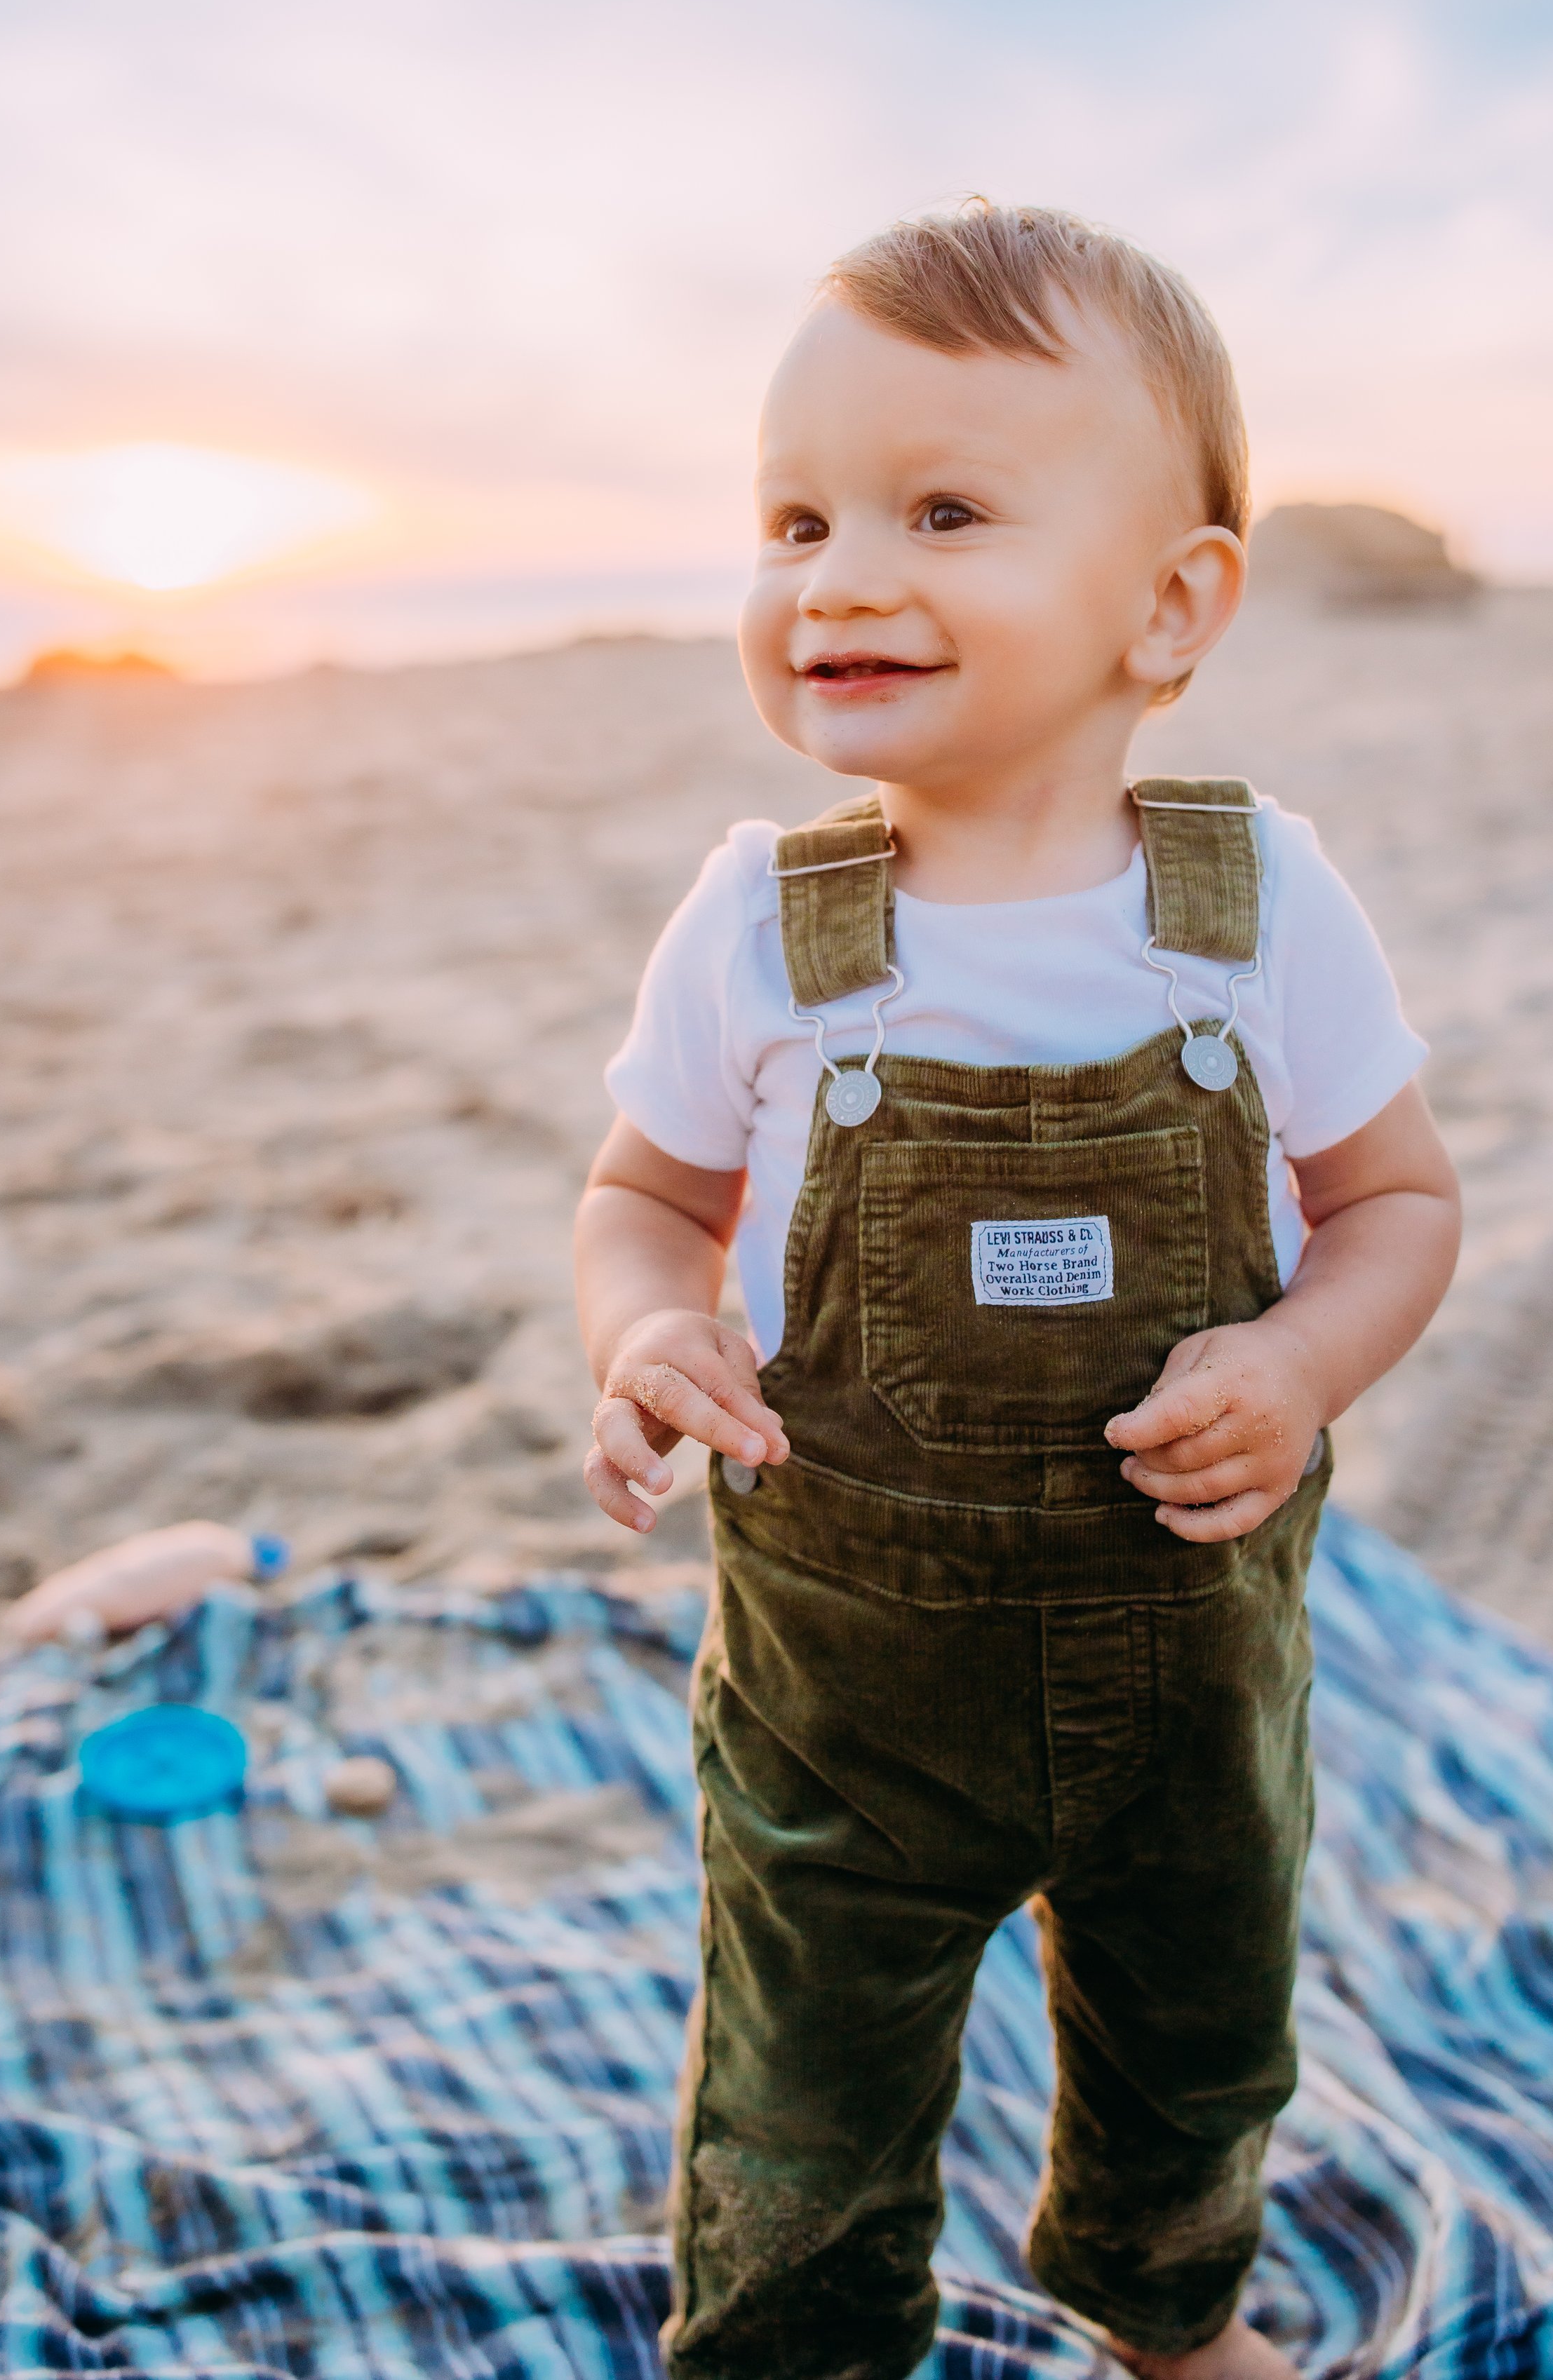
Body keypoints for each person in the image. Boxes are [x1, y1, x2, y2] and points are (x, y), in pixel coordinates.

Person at [574, 201, 1460, 2380]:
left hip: (1185, 1677)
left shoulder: (1254, 904)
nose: (835, 576)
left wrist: (1299, 1358)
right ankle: (798, 2342)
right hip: (846, 1696)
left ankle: (1161, 2309)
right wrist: (648, 1326)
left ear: (1171, 607)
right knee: (796, 2089)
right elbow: (641, 1194)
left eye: (943, 512)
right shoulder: (760, 923)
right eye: (794, 521)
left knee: (1199, 2042)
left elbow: (1394, 1205)